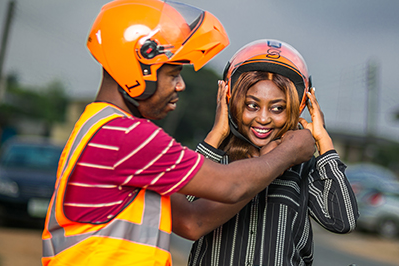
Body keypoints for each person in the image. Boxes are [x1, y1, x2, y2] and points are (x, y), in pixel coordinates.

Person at [41, 1, 316, 265]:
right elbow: (231, 185)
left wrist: (268, 157)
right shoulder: (128, 137)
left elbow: (192, 221)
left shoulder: (98, 125)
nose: (180, 85)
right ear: (138, 68)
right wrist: (287, 152)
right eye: (173, 74)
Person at [172, 39, 359, 266]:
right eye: (252, 105)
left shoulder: (302, 167)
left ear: (298, 107)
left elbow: (342, 220)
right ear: (231, 101)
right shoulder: (216, 160)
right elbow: (185, 209)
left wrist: (324, 141)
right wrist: (215, 134)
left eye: (277, 108)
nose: (263, 118)